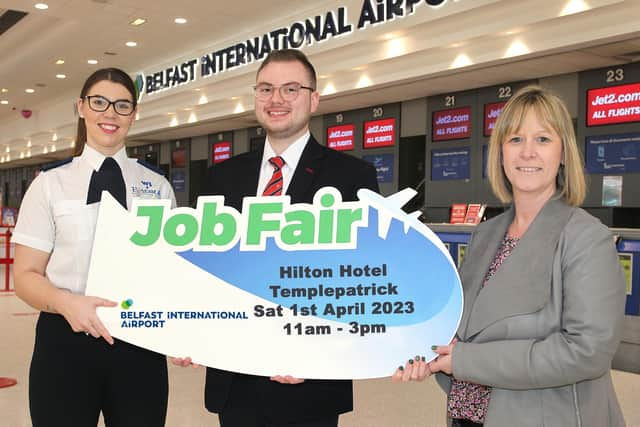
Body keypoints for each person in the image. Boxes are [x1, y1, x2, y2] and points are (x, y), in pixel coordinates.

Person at [395, 86, 626, 427]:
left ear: (564, 153)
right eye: (515, 139)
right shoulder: (486, 235)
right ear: (500, 152)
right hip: (469, 416)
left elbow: (585, 352)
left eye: (543, 139)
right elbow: (465, 332)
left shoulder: (585, 238)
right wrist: (425, 353)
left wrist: (464, 360)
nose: (527, 152)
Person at [173, 49, 378, 427]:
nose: (276, 100)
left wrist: (317, 352)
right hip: (235, 379)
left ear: (314, 99)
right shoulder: (221, 178)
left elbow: (362, 283)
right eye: (266, 89)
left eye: (290, 89)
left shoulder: (353, 178)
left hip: (310, 382)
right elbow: (205, 270)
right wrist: (188, 329)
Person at [13, 68, 176, 426]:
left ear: (134, 114)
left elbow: (170, 272)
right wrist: (66, 302)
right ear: (81, 107)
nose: (110, 113)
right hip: (65, 340)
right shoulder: (50, 185)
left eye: (122, 105)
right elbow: (24, 275)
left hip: (139, 341)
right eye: (99, 102)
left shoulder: (158, 185)